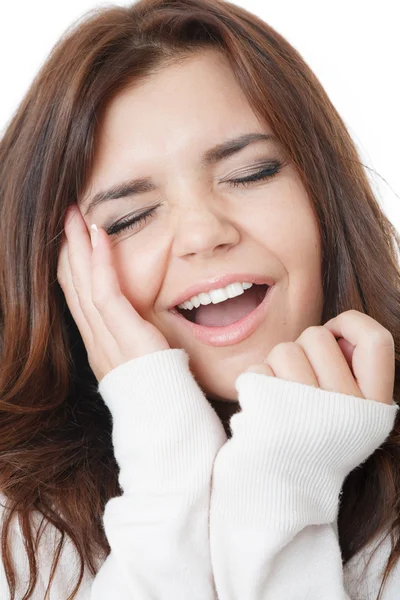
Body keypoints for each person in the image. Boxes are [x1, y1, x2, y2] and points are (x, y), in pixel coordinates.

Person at [0, 0, 399, 597]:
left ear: (324, 194)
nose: (203, 233)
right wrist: (166, 465)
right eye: (131, 216)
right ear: (59, 269)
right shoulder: (18, 525)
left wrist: (285, 479)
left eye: (251, 173)